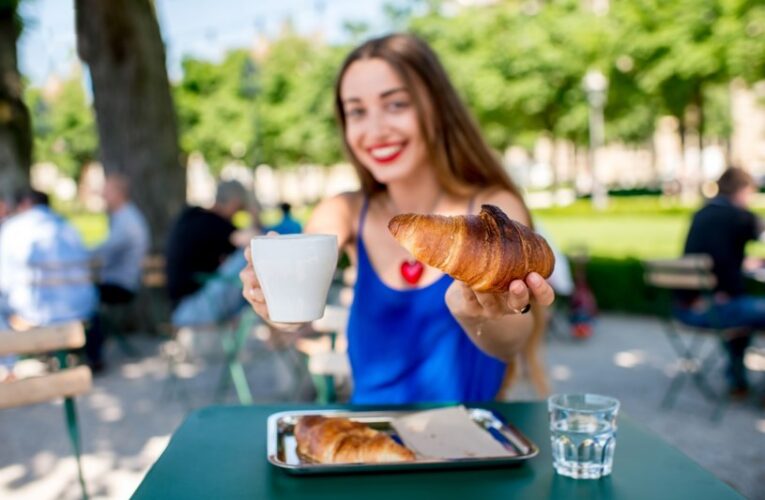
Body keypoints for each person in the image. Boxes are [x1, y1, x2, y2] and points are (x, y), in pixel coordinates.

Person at [239, 33, 555, 404]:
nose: (374, 130)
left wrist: (477, 317)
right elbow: (297, 295)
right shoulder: (345, 211)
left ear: (436, 108)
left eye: (396, 104)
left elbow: (513, 342)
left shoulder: (492, 212)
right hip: (372, 444)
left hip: (470, 449)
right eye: (357, 111)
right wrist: (278, 305)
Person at [676, 167, 765, 397]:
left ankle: (737, 381)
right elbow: (758, 229)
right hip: (712, 308)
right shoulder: (738, 216)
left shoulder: (702, 213)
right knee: (750, 309)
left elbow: (717, 258)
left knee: (744, 314)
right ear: (743, 191)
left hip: (687, 305)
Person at [0, 188, 97, 329]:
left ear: (25, 204)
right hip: (81, 310)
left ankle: (14, 351)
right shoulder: (69, 226)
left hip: (34, 314)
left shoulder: (13, 228)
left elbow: (4, 280)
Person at [86, 172, 150, 371]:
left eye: (107, 191)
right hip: (119, 280)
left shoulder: (127, 220)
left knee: (85, 298)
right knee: (85, 295)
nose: (103, 195)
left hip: (121, 284)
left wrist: (77, 253)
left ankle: (94, 356)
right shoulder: (123, 217)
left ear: (118, 193)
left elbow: (106, 250)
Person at [166, 180, 252, 321]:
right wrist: (253, 213)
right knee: (249, 253)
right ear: (235, 203)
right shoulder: (214, 223)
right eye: (241, 207)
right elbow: (253, 239)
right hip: (193, 308)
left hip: (180, 306)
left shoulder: (192, 216)